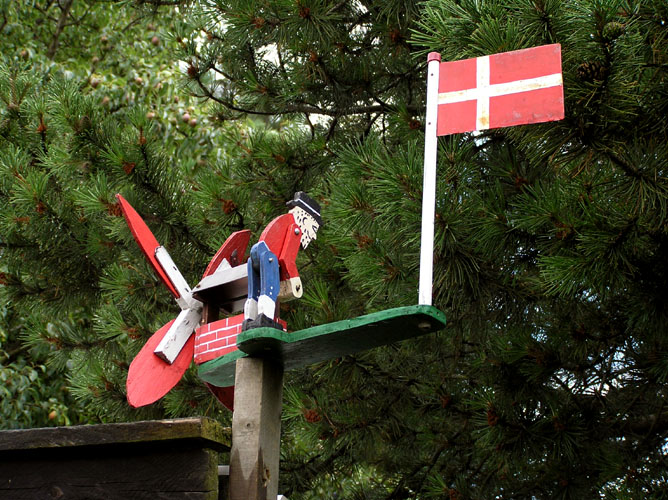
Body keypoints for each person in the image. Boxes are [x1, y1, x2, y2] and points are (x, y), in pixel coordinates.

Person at [242, 192, 322, 331]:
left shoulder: (284, 220)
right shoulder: (295, 228)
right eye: (313, 228)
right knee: (269, 290)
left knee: (253, 293)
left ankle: (249, 320)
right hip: (268, 257)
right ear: (306, 218)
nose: (313, 236)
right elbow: (287, 258)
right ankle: (265, 318)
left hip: (254, 256)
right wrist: (294, 279)